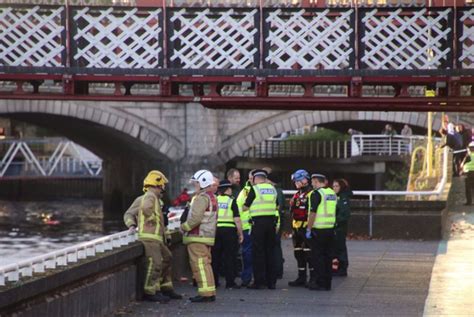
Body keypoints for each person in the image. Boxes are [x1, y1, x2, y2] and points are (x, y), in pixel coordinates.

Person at [123, 170, 182, 302]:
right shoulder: (145, 198)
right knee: (155, 263)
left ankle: (164, 287)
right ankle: (150, 291)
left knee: (167, 258)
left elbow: (162, 222)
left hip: (158, 238)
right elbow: (129, 214)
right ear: (156, 185)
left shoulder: (158, 201)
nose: (163, 190)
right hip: (149, 237)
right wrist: (132, 225)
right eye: (162, 187)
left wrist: (167, 235)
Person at [181, 169, 218, 303]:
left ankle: (205, 294)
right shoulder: (212, 197)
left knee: (199, 265)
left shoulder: (201, 198)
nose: (195, 186)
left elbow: (195, 218)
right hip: (207, 236)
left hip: (197, 237)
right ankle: (209, 291)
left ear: (203, 182)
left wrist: (184, 227)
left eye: (196, 183)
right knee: (206, 264)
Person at [243, 169, 278, 289]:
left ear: (256, 179)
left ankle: (259, 282)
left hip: (258, 224)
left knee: (258, 253)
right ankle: (271, 282)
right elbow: (277, 205)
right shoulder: (273, 189)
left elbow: (245, 207)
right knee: (270, 252)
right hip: (271, 224)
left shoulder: (255, 189)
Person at [306, 173, 337, 291]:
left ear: (316, 181)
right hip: (330, 228)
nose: (312, 184)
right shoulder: (331, 193)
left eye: (312, 181)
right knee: (328, 257)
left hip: (319, 230)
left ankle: (319, 282)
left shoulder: (316, 194)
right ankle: (327, 283)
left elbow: (313, 213)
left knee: (318, 257)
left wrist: (308, 228)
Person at [212, 180, 244, 289]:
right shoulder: (232, 201)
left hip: (216, 230)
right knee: (229, 257)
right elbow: (237, 219)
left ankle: (214, 282)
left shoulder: (214, 200)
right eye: (230, 189)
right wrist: (240, 233)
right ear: (227, 189)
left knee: (215, 257)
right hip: (229, 231)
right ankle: (230, 282)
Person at [287, 169, 313, 287]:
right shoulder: (297, 194)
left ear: (305, 180)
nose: (295, 183)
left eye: (297, 180)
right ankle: (301, 277)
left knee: (309, 254)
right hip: (296, 228)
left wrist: (309, 229)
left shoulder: (311, 194)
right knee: (298, 254)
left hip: (306, 228)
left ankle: (313, 278)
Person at [236, 170, 255, 287]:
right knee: (249, 253)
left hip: (252, 226)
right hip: (248, 226)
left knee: (248, 253)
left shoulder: (244, 191)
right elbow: (239, 208)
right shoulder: (246, 192)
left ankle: (248, 278)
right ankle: (248, 277)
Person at [332, 178, 352, 277]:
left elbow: (344, 214)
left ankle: (342, 268)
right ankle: (337, 268)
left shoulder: (343, 198)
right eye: (334, 186)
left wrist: (335, 222)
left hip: (340, 228)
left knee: (340, 248)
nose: (334, 188)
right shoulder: (337, 197)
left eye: (337, 186)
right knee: (335, 248)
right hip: (336, 227)